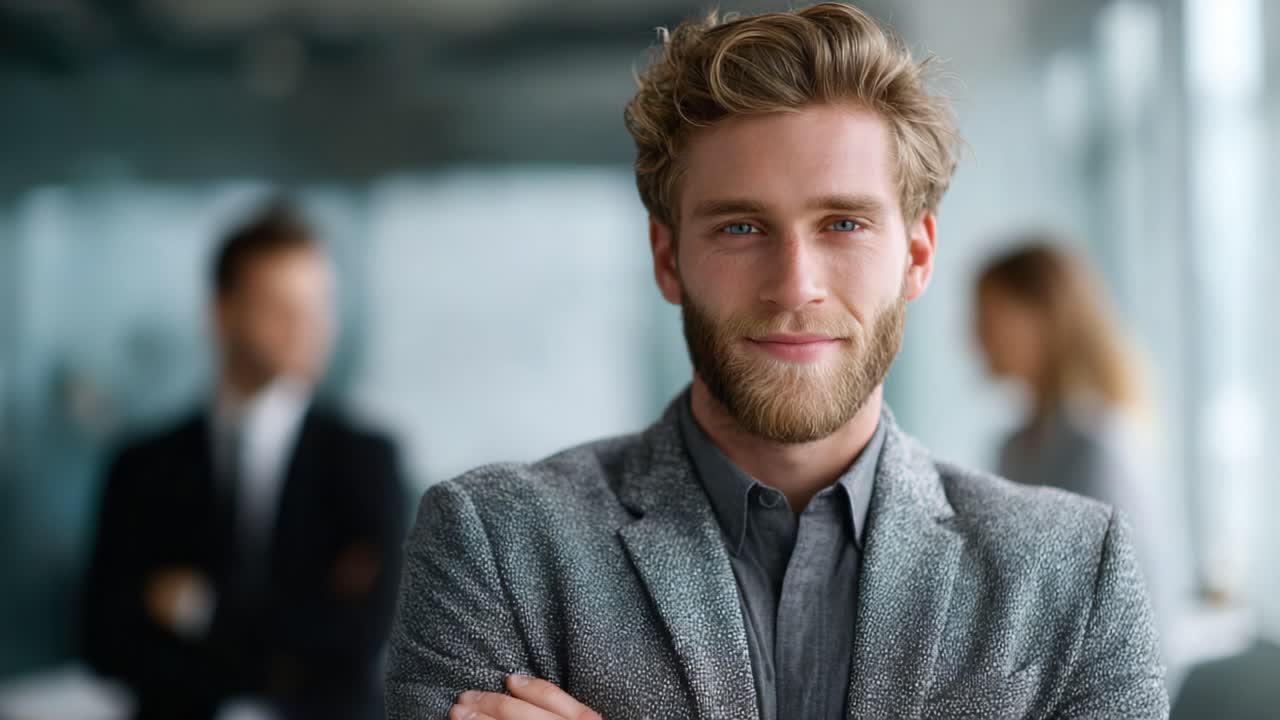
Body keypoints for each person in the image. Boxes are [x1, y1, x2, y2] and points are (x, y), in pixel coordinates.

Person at [385, 5, 1168, 719]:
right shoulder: (494, 544)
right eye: (740, 229)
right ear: (667, 257)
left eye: (844, 224)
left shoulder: (1074, 572)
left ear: (918, 255)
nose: (795, 287)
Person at [81, 204, 408, 720]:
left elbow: (362, 635)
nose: (307, 328)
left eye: (317, 306)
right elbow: (104, 639)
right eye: (280, 308)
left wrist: (201, 609)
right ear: (222, 312)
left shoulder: (366, 461)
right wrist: (291, 630)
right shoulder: (143, 467)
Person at [975, 240, 1191, 692]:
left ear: (1041, 319)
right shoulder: (1012, 448)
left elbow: (1132, 619)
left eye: (989, 316)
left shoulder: (1098, 448)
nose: (975, 336)